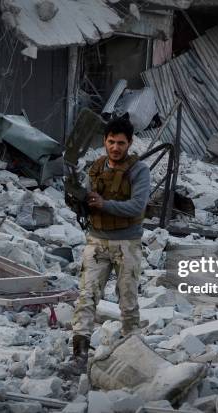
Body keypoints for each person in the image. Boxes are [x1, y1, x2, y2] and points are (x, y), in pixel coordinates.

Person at [70, 116, 151, 368]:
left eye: (121, 143)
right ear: (104, 141)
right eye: (111, 142)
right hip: (96, 241)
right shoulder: (95, 168)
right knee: (86, 296)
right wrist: (77, 199)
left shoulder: (139, 170)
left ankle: (134, 355)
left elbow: (137, 206)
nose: (116, 148)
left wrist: (104, 204)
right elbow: (85, 200)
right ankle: (79, 356)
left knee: (127, 300)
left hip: (127, 243)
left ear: (130, 143)